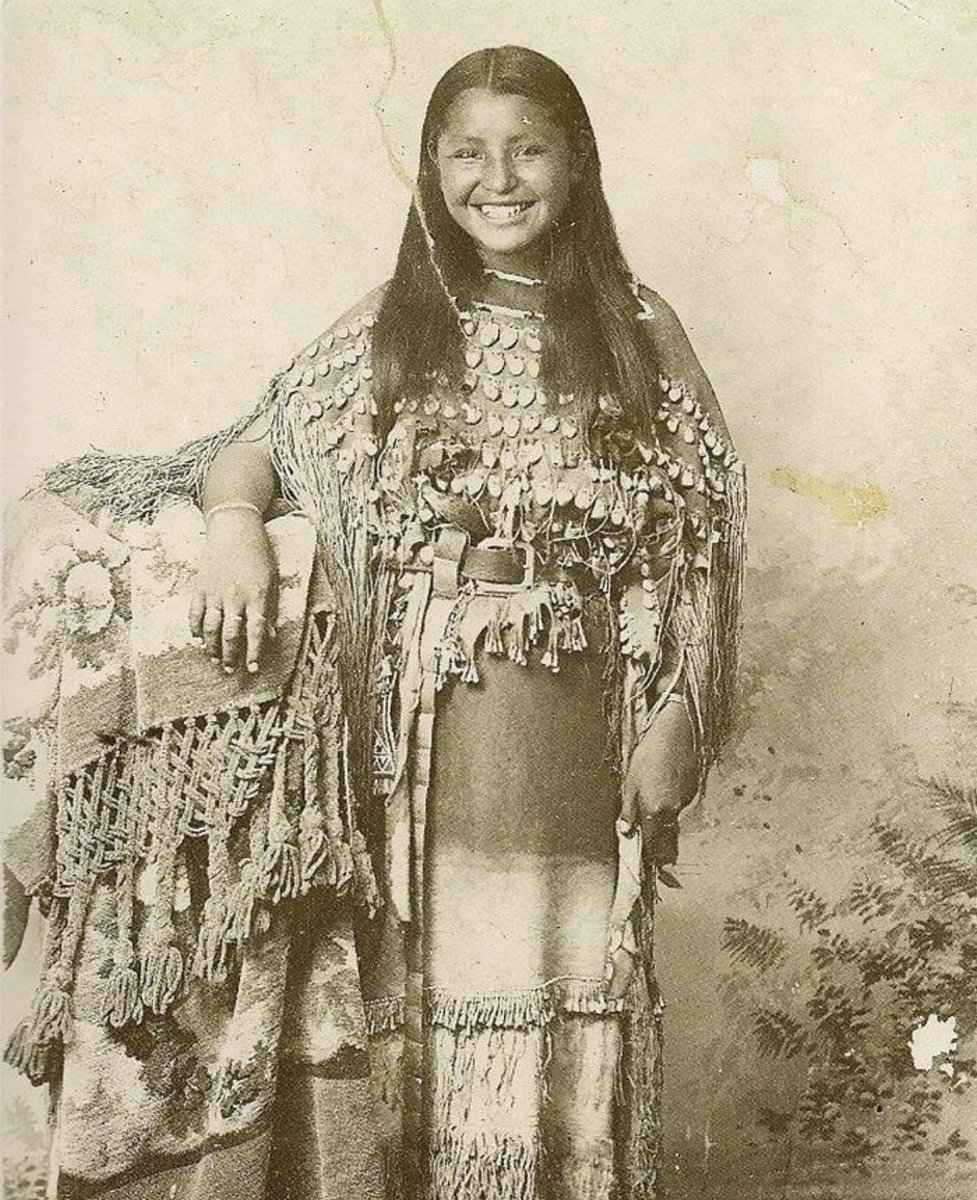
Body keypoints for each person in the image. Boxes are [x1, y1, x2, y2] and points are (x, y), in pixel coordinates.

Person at [3, 44, 744, 1200]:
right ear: (429, 171)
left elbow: (701, 551)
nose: (497, 179)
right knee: (418, 1002)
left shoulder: (641, 333)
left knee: (560, 984)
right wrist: (238, 528)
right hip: (417, 752)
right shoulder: (400, 324)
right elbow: (246, 446)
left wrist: (681, 722)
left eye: (527, 149)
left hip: (573, 738)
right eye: (466, 153)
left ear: (578, 164)